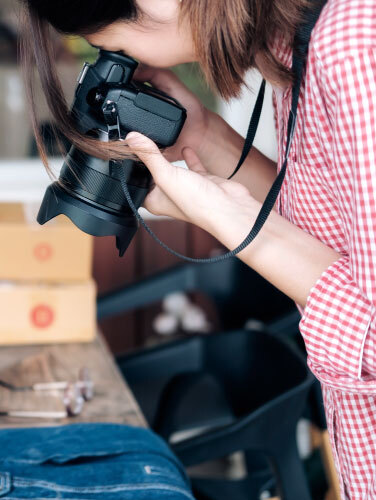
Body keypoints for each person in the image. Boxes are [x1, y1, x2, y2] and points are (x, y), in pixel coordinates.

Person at [19, 0, 376, 497]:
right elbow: (333, 236)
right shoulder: (297, 44)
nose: (125, 60)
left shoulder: (354, 43)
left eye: (114, 43)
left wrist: (223, 218)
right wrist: (203, 135)